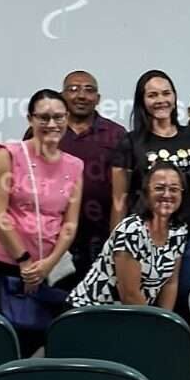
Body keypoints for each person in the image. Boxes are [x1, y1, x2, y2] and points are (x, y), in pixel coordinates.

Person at [111, 70, 190, 327]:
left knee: (186, 299)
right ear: (142, 100)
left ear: (174, 97)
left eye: (166, 93)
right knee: (144, 303)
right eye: (152, 94)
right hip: (146, 239)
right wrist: (115, 243)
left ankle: (183, 357)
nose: (161, 100)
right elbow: (119, 198)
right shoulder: (130, 142)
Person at [0, 89, 83, 353]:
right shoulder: (8, 154)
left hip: (48, 268)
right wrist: (25, 262)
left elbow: (70, 223)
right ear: (30, 119)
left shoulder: (75, 166)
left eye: (59, 117)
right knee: (6, 342)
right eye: (44, 117)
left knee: (43, 338)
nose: (52, 124)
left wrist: (47, 265)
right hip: (5, 264)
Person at [69, 161, 189, 309]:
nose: (167, 194)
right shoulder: (131, 230)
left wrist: (166, 322)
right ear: (146, 192)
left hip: (135, 315)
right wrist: (155, 329)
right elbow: (130, 296)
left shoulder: (179, 230)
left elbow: (171, 283)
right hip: (92, 313)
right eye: (159, 188)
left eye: (174, 189)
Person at [58, 70, 126, 284]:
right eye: (73, 89)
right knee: (54, 300)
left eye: (89, 90)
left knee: (97, 302)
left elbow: (122, 193)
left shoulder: (116, 134)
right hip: (53, 235)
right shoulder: (45, 131)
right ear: (62, 96)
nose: (81, 95)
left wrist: (116, 239)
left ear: (98, 99)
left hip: (100, 234)